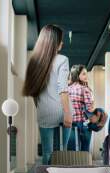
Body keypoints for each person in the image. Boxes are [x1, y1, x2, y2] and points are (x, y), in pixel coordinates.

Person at [22, 24, 72, 164]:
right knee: (62, 152)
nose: (62, 43)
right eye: (60, 40)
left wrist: (41, 107)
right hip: (61, 110)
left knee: (47, 153)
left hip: (44, 112)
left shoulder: (34, 61)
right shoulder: (62, 59)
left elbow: (33, 92)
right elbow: (63, 88)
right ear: (54, 42)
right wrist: (67, 113)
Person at [67, 65, 94, 152]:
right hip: (83, 123)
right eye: (83, 74)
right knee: (85, 151)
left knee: (71, 151)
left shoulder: (67, 89)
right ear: (77, 75)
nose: (86, 76)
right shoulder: (85, 89)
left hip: (70, 122)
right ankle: (84, 165)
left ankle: (72, 165)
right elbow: (89, 108)